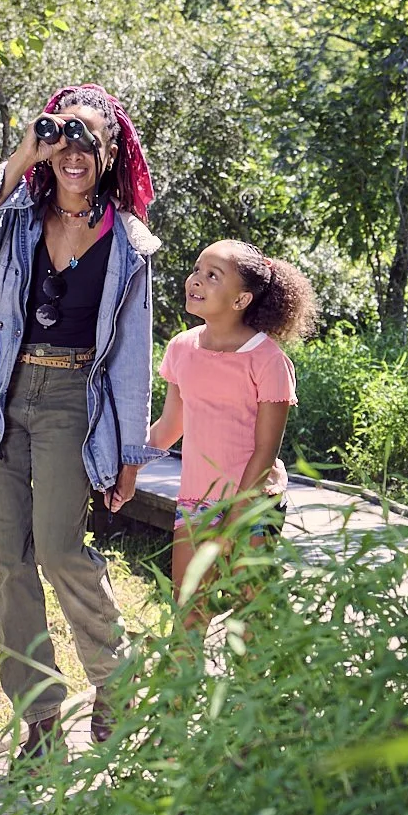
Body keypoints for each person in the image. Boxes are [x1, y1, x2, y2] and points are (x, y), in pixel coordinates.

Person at [0, 85, 161, 754]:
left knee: (60, 549)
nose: (74, 151)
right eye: (63, 136)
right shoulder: (19, 217)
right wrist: (20, 156)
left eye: (89, 139)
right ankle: (38, 719)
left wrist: (128, 454)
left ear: (113, 151)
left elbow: (132, 360)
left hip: (71, 399)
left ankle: (114, 678)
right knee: (5, 558)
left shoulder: (129, 244)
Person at [151, 241, 318, 621]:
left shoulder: (268, 360)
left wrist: (233, 522)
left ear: (241, 299)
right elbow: (167, 429)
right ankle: (183, 680)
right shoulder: (181, 348)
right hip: (196, 503)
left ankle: (257, 680)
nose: (196, 280)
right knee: (188, 614)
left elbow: (264, 452)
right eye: (197, 270)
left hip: (253, 504)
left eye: (213, 276)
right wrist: (123, 466)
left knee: (251, 618)